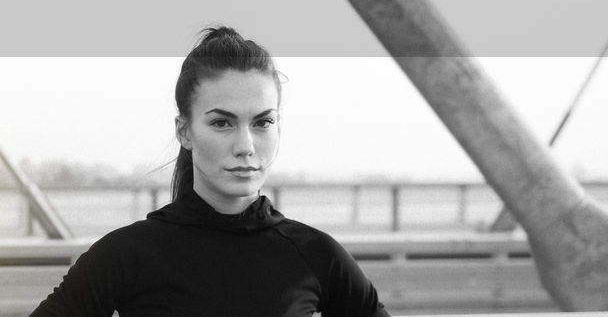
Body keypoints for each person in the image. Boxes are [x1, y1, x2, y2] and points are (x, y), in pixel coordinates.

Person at [31, 26, 389, 316]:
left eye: (263, 122)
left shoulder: (315, 254)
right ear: (185, 131)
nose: (246, 145)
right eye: (222, 123)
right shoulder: (127, 254)